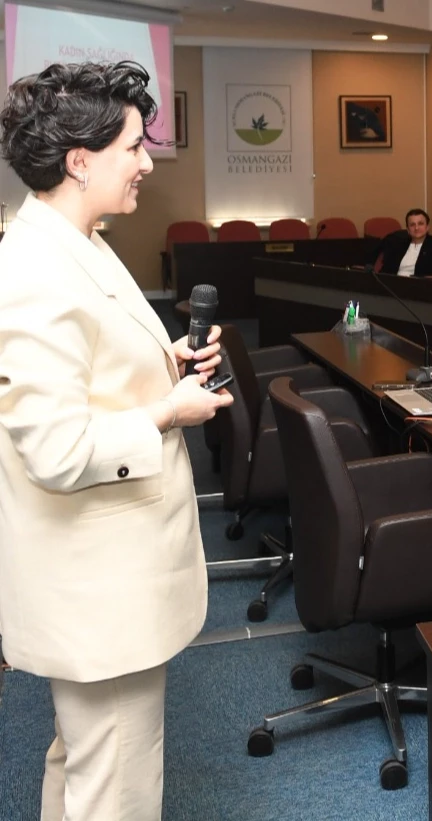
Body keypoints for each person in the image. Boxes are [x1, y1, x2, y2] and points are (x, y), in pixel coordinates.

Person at [0, 61, 233, 819]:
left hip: (103, 579)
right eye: (134, 146)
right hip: (97, 589)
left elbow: (92, 370)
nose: (146, 162)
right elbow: (56, 449)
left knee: (85, 766)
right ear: (79, 160)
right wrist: (167, 413)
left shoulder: (78, 242)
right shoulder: (36, 269)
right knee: (116, 789)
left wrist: (167, 361)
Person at [373, 207, 432, 277]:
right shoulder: (398, 244)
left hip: (418, 284)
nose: (416, 228)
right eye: (412, 225)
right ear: (408, 229)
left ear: (427, 227)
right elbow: (386, 270)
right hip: (393, 283)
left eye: (420, 224)